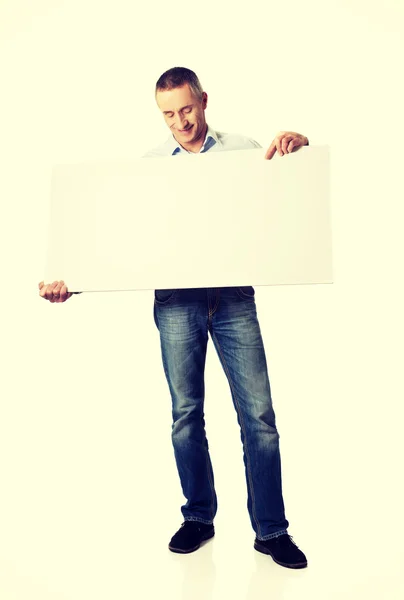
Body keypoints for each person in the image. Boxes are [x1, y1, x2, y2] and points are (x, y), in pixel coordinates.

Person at [39, 67, 309, 569]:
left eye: (186, 109)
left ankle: (271, 531)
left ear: (204, 100)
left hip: (232, 299)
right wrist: (69, 282)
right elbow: (120, 243)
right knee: (186, 416)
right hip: (177, 303)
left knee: (260, 418)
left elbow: (284, 201)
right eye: (168, 114)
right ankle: (199, 518)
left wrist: (301, 146)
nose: (180, 122)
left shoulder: (244, 148)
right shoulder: (149, 166)